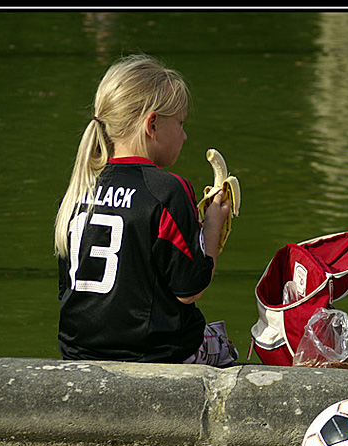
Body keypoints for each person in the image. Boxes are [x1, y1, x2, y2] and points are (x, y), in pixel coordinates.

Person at [54, 54, 234, 364]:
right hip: (152, 356)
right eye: (180, 123)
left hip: (78, 351)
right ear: (152, 123)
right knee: (222, 345)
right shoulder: (168, 190)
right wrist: (213, 226)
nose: (184, 135)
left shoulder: (79, 190)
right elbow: (189, 289)